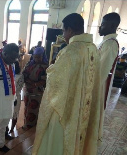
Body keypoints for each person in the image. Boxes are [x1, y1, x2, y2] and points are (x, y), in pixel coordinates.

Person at [32, 13, 99, 155]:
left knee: (58, 142)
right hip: (83, 106)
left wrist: (50, 69)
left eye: (63, 31)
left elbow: (56, 82)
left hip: (67, 110)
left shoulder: (70, 51)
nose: (64, 35)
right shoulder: (93, 49)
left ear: (69, 30)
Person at [97, 12, 120, 145]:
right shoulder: (105, 41)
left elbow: (101, 71)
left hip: (98, 86)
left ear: (112, 26)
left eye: (103, 24)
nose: (100, 27)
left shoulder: (110, 44)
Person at [22, 47, 48, 130]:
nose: (36, 59)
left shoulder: (45, 67)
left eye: (39, 57)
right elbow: (24, 74)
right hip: (27, 90)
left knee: (34, 108)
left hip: (37, 91)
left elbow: (45, 79)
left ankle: (32, 125)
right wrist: (27, 80)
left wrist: (35, 84)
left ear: (42, 56)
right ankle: (26, 123)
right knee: (26, 107)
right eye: (35, 56)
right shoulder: (29, 64)